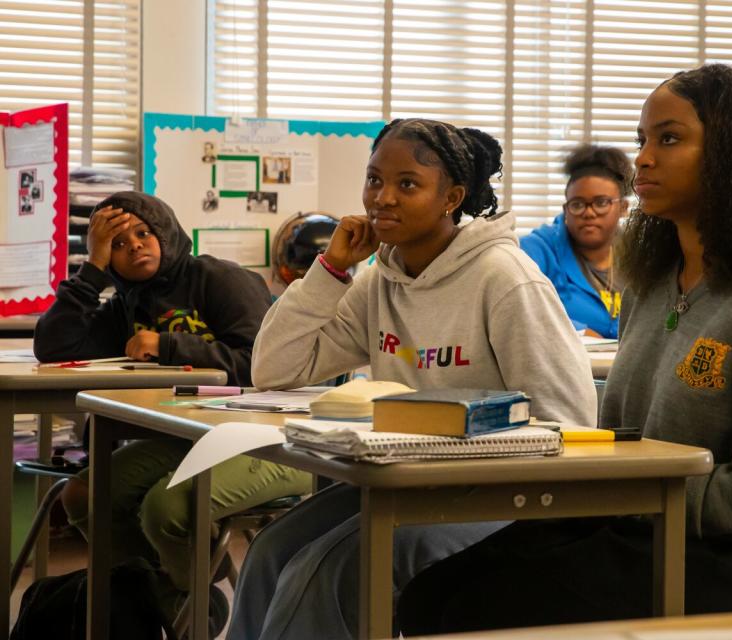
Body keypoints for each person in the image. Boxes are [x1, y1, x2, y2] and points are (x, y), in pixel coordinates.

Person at [398, 64, 732, 635]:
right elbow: (624, 439)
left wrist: (644, 497)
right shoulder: (654, 282)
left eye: (669, 138)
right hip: (641, 526)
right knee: (430, 594)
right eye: (642, 140)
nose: (643, 159)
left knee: (475, 610)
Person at [226, 118, 596, 640]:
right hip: (402, 478)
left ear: (452, 197)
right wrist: (330, 269)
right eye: (375, 180)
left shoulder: (505, 279)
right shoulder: (379, 278)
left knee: (331, 570)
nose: (383, 199)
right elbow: (274, 370)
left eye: (407, 184)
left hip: (500, 492)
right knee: (270, 551)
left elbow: (571, 421)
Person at [32, 191, 313, 632]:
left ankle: (190, 592)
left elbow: (265, 366)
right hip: (186, 435)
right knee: (84, 497)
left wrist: (166, 346)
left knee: (167, 509)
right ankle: (168, 595)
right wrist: (91, 272)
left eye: (143, 233)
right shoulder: (127, 304)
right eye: (118, 245)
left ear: (166, 233)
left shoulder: (220, 278)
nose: (135, 247)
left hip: (269, 436)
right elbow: (54, 348)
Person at [520, 144, 633, 338]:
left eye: (601, 203)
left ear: (623, 207)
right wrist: (580, 332)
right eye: (577, 204)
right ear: (566, 210)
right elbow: (521, 307)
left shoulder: (640, 254)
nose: (589, 213)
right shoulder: (537, 249)